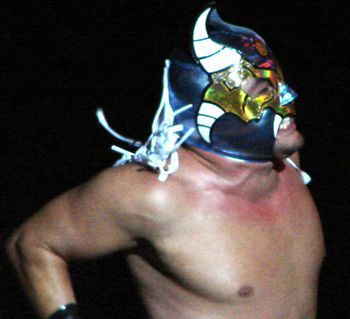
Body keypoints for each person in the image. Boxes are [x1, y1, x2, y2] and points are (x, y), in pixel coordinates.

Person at [7, 6, 325, 319]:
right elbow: (33, 245)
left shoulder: (288, 166)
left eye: (280, 83)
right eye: (263, 91)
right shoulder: (155, 194)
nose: (288, 97)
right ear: (209, 107)